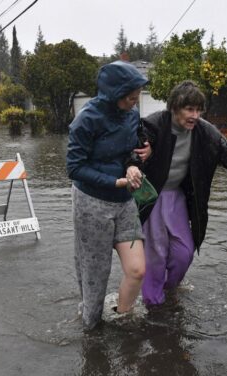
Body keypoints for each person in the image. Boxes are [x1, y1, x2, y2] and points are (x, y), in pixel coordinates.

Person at [139, 80, 227, 307]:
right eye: (189, 109)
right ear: (174, 108)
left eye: (198, 110)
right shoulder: (155, 124)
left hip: (177, 196)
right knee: (156, 254)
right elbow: (135, 142)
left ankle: (169, 290)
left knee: (184, 252)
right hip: (151, 196)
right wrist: (141, 150)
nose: (195, 115)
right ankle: (153, 304)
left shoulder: (205, 131)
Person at [66, 60, 150, 330]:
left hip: (125, 202)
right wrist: (115, 181)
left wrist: (134, 165)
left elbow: (130, 150)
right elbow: (74, 168)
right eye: (130, 96)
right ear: (114, 93)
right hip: (91, 203)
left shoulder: (132, 115)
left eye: (138, 95)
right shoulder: (86, 120)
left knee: (137, 270)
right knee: (95, 276)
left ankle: (124, 323)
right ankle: (91, 335)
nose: (135, 100)